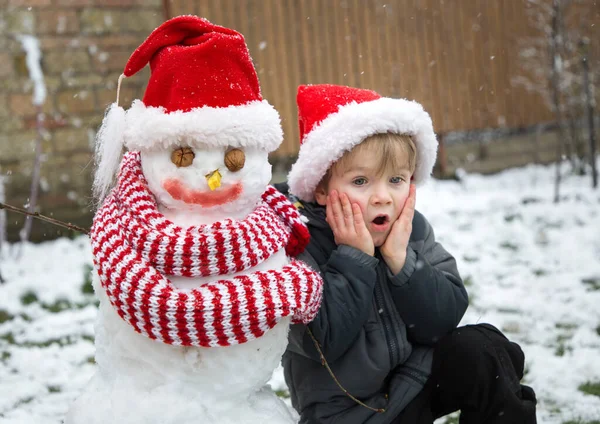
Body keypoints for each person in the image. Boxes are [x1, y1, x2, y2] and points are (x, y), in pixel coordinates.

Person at [276, 84, 537, 424]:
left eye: (396, 179)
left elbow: (442, 320)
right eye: (360, 181)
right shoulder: (296, 243)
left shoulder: (409, 229)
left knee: (483, 350)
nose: (382, 197)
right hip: (348, 415)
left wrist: (403, 262)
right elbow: (321, 343)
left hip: (412, 385)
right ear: (322, 189)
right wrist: (354, 258)